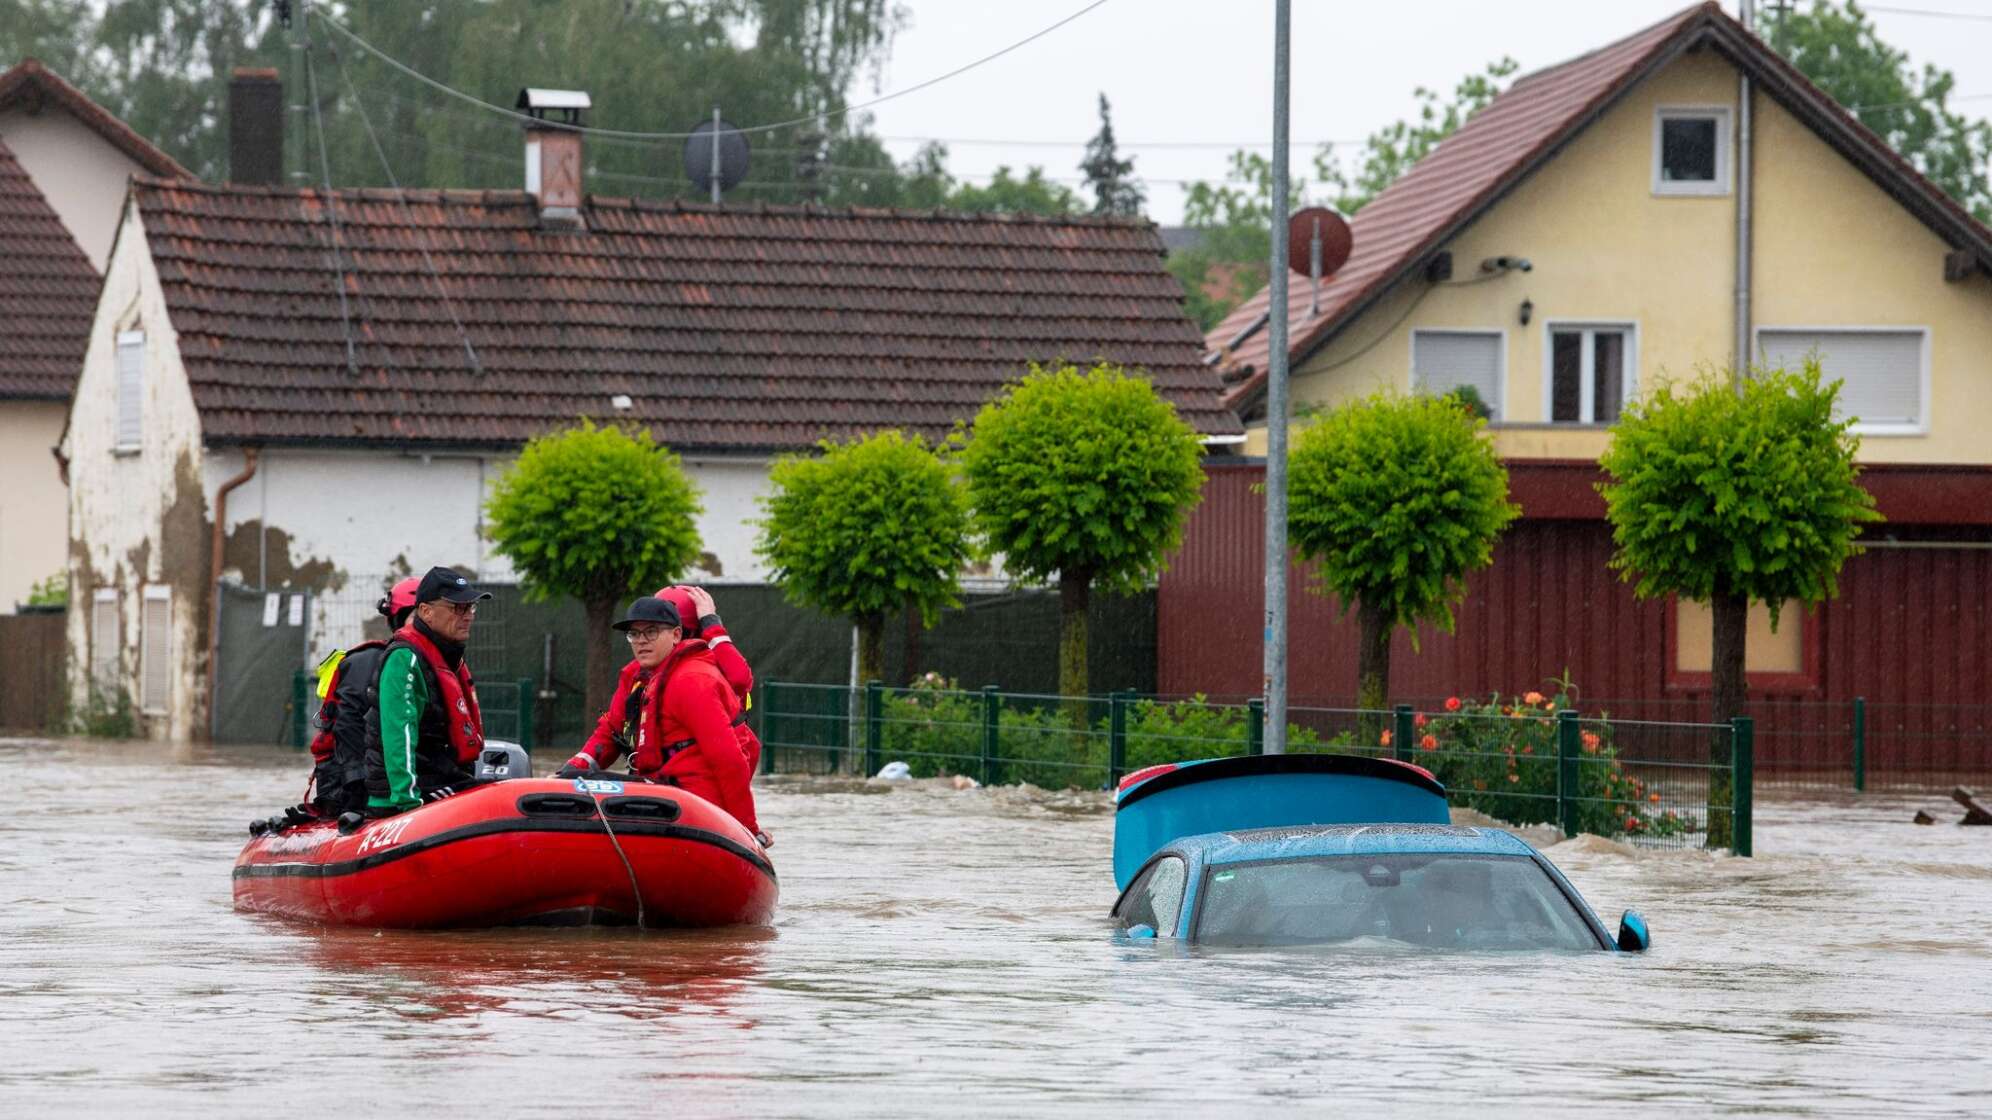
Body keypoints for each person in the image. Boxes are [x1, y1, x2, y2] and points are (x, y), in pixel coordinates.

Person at [560, 596, 765, 844]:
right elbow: (611, 730)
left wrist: (747, 829)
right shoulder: (639, 678)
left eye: (651, 632)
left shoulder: (692, 681)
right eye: (634, 634)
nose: (641, 641)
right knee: (592, 785)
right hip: (659, 795)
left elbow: (729, 762)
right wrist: (573, 770)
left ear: (677, 634)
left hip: (696, 809)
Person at [363, 566, 492, 817]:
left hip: (442, 779)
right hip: (408, 795)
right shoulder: (404, 659)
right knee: (491, 803)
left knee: (499, 794)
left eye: (471, 607)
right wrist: (409, 803)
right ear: (425, 611)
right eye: (458, 608)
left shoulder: (449, 658)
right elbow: (398, 736)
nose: (468, 616)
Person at [303, 576, 418, 817]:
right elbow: (349, 725)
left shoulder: (434, 664)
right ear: (397, 620)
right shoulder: (369, 661)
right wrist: (359, 785)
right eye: (416, 618)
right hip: (352, 786)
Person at [653, 584, 757, 768]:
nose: (644, 640)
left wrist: (712, 626)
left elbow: (740, 679)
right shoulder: (642, 669)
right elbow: (610, 726)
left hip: (692, 774)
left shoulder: (703, 671)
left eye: (653, 631)